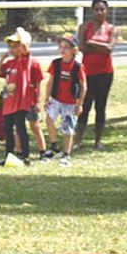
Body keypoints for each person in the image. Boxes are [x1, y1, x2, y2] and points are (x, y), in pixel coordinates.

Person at [0, 27, 44, 164]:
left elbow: (25, 50)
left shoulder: (25, 62)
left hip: (20, 103)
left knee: (21, 129)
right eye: (10, 47)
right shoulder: (10, 63)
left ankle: (25, 156)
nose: (12, 50)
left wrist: (20, 33)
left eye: (15, 47)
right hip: (8, 103)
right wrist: (2, 58)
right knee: (8, 131)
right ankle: (9, 156)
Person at [77, 0, 118, 147]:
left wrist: (92, 43)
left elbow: (109, 49)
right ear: (92, 11)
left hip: (105, 72)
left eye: (102, 9)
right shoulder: (84, 27)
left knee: (100, 106)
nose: (99, 12)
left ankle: (98, 140)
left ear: (107, 11)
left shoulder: (112, 29)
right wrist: (100, 46)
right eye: (96, 9)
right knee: (84, 106)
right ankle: (78, 140)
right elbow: (82, 47)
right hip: (87, 72)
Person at [42, 35, 87, 165]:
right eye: (61, 47)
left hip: (70, 102)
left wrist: (80, 104)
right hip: (56, 99)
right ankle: (54, 146)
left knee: (67, 128)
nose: (63, 50)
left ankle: (66, 154)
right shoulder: (56, 64)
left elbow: (83, 85)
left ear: (74, 50)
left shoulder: (78, 67)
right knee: (49, 120)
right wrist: (46, 97)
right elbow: (50, 81)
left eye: (66, 47)